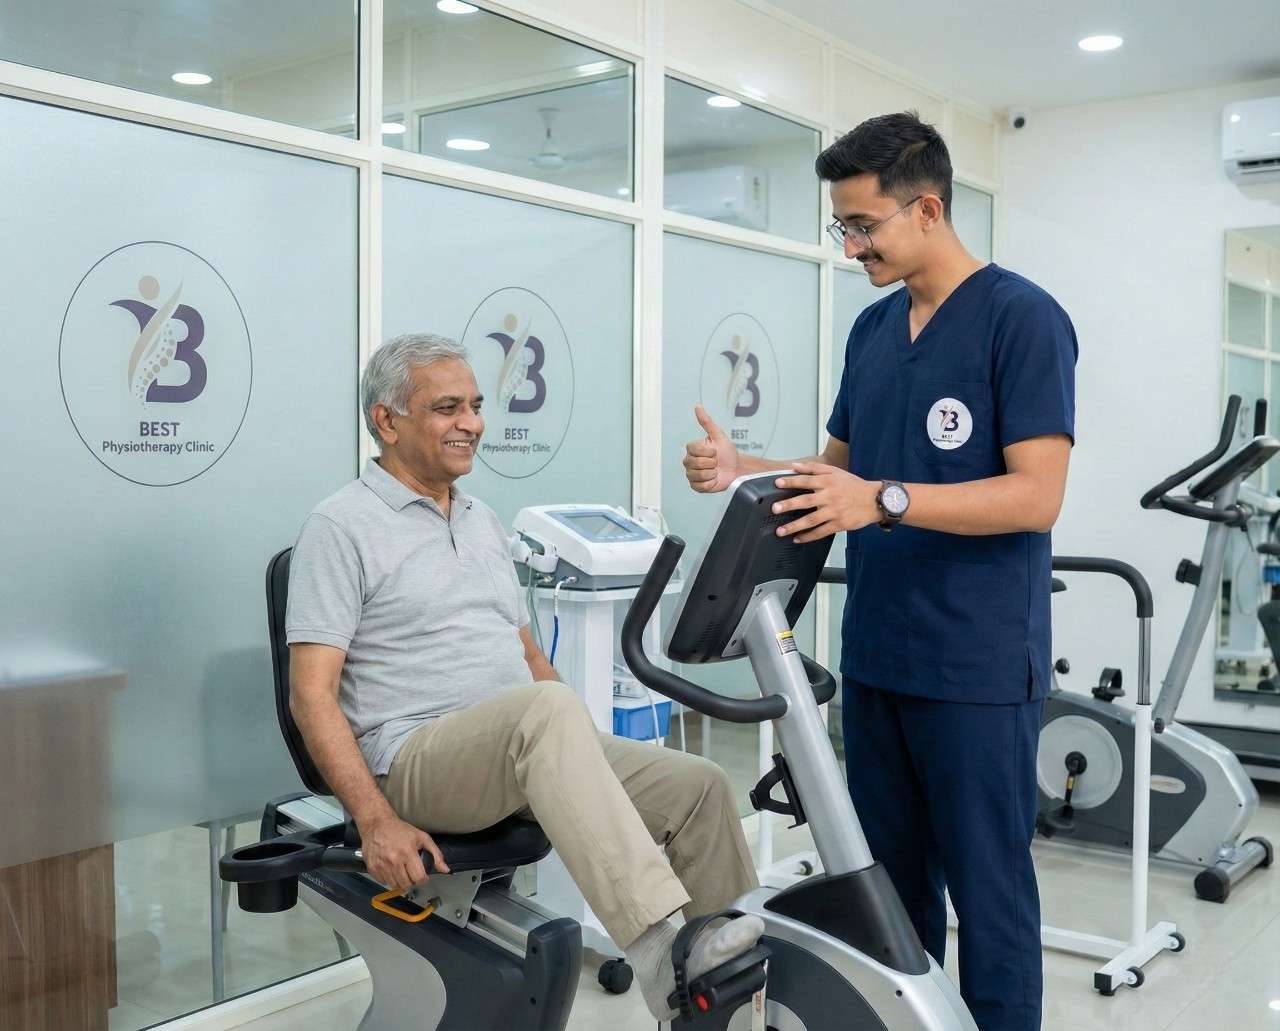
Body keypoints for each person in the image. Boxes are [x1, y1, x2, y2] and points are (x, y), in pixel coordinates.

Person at [683, 111, 1076, 1031]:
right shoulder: (871, 331)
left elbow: (1036, 496)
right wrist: (747, 469)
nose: (850, 246)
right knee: (890, 894)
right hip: (880, 659)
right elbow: (836, 476)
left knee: (991, 893)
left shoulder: (1022, 320)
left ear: (927, 208)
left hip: (977, 662)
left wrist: (886, 500)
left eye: (863, 226)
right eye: (843, 227)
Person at [286, 332, 763, 1021]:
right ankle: (666, 961)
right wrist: (375, 819)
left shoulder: (481, 519)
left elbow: (528, 655)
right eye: (448, 407)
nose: (472, 423)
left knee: (699, 788)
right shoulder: (340, 526)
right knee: (543, 711)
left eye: (475, 405)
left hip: (517, 745)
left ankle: (729, 1009)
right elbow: (311, 694)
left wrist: (591, 759)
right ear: (387, 420)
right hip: (414, 759)